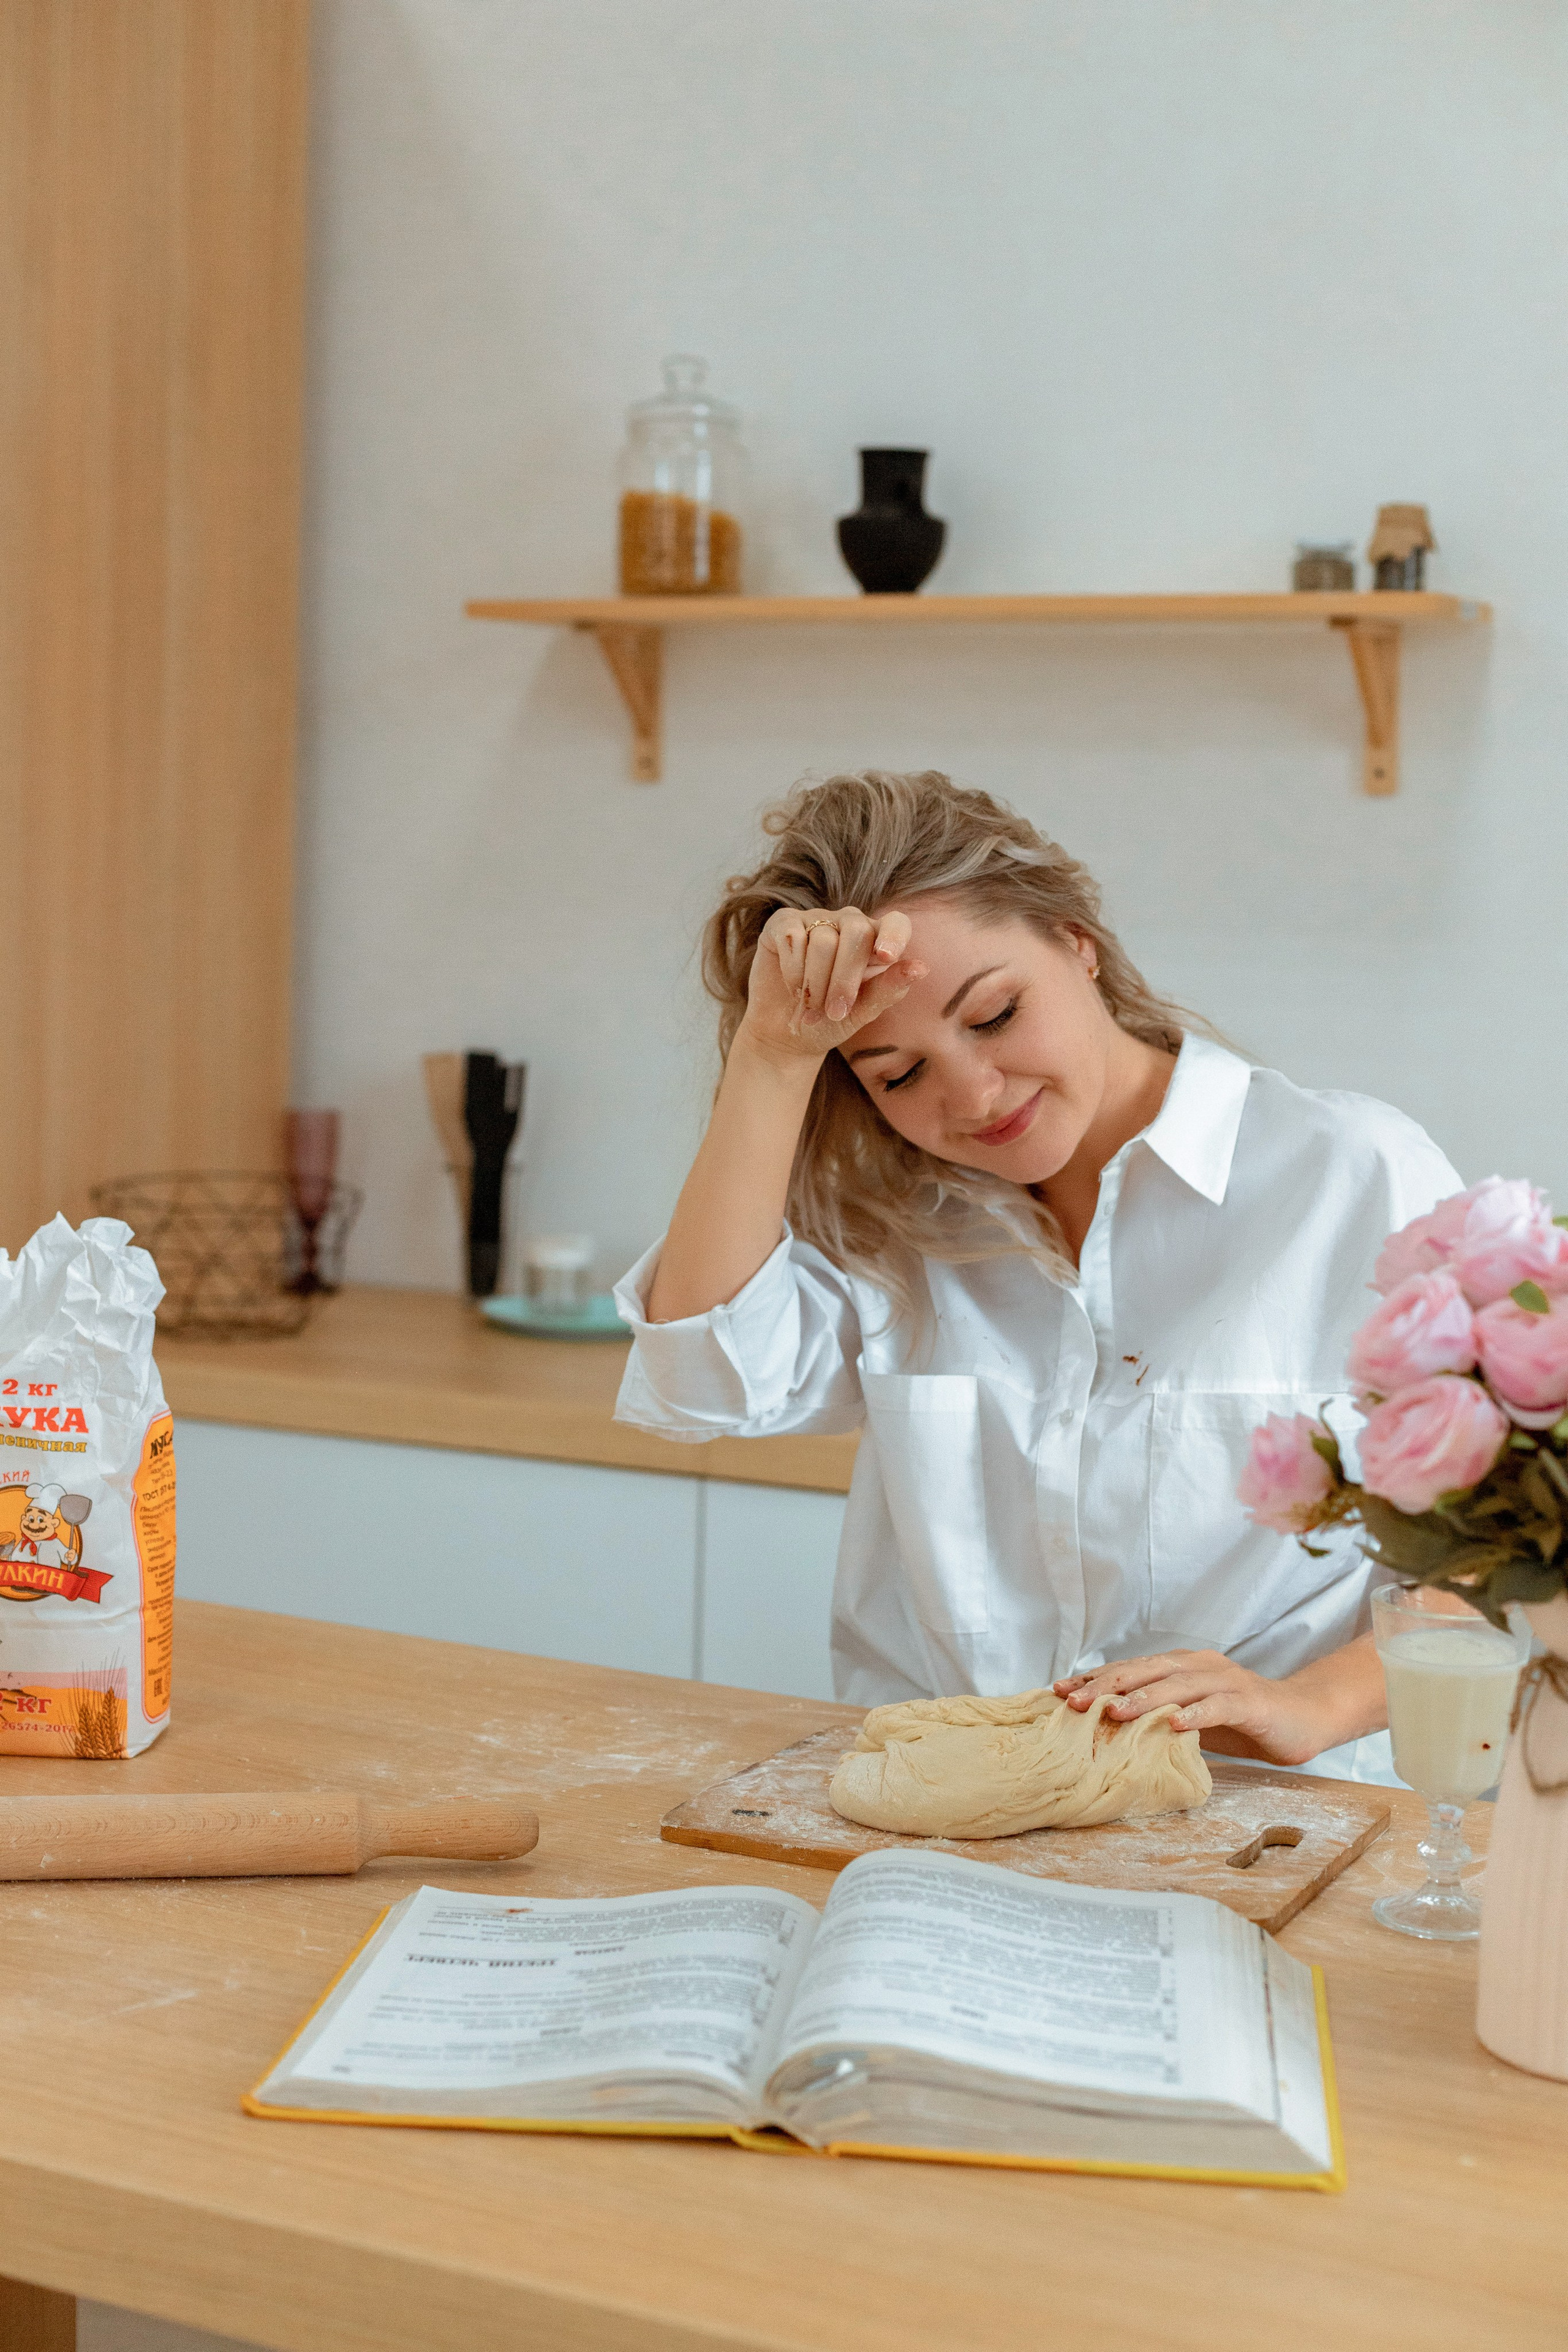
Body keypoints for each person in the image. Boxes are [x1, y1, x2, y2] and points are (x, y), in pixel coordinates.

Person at [613, 770, 1461, 1781]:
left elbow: (1526, 1540)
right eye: (898, 1074)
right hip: (949, 1827)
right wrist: (771, 1056)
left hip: (1270, 1822)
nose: (973, 1095)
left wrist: (1309, 1707)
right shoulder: (899, 1231)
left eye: (995, 1014)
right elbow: (698, 1383)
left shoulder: (1351, 1177)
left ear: (1075, 940)